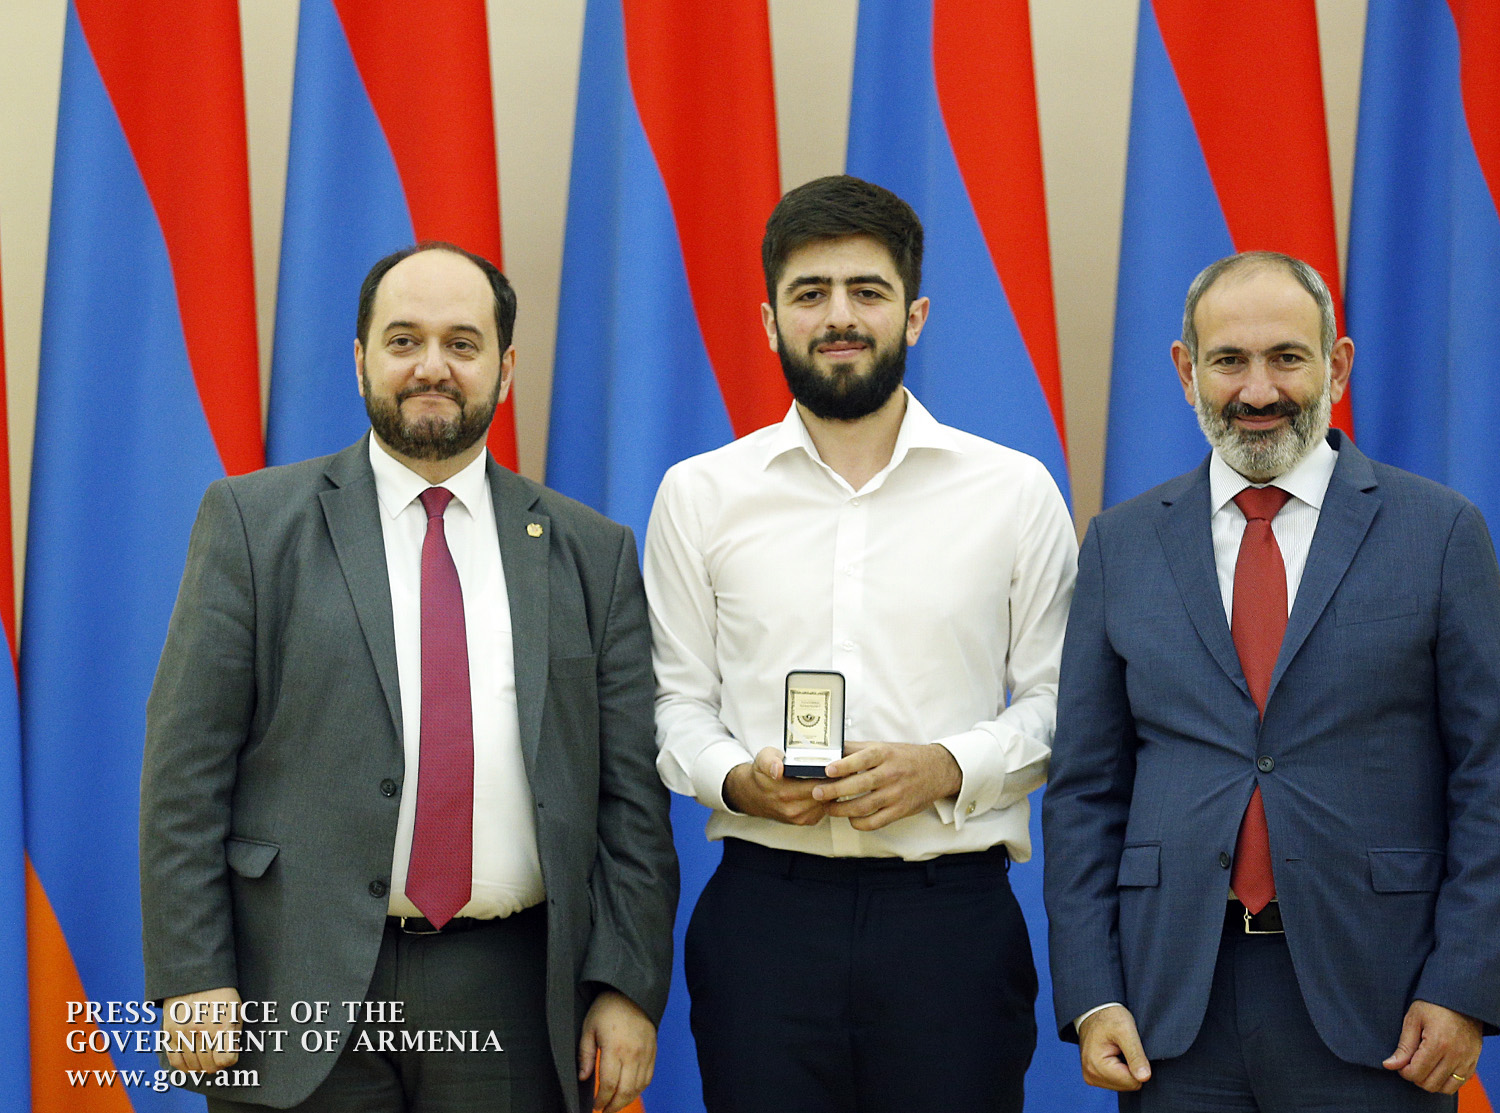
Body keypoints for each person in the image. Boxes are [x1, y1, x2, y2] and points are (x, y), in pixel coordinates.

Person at [140, 243, 677, 1113]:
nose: (432, 366)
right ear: (361, 361)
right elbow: (184, 773)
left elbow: (631, 804)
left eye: (462, 343)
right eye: (404, 341)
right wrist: (192, 973)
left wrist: (625, 982)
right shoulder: (252, 523)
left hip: (511, 991)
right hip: (293, 982)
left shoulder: (593, 553)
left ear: (505, 368)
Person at [1043, 251, 1500, 1112]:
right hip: (1171, 1006)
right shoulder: (1121, 545)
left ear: (1337, 366)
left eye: (1287, 358)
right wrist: (1091, 992)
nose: (1259, 390)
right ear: (1186, 371)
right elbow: (1085, 790)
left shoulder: (1440, 532)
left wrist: (1462, 984)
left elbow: (1492, 778)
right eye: (1229, 360)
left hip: (1380, 1003)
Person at [645, 174, 1077, 1113]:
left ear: (913, 315)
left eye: (867, 291)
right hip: (764, 918)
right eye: (810, 293)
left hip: (951, 925)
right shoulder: (699, 495)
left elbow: (1061, 703)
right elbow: (674, 702)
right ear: (770, 322)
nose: (839, 316)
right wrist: (735, 778)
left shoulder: (1013, 492)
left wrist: (947, 767)